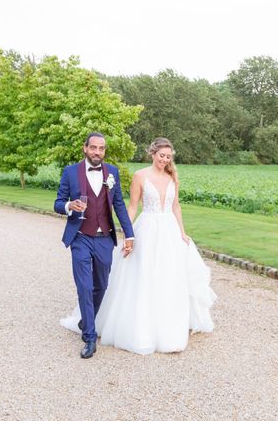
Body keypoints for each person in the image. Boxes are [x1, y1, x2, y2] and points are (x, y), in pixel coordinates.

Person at [61, 137, 216, 355]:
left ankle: (166, 325)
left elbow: (175, 205)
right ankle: (94, 330)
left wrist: (182, 232)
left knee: (168, 276)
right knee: (138, 275)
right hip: (144, 228)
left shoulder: (172, 177)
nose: (165, 160)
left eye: (169, 157)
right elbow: (130, 207)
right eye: (162, 155)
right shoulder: (140, 176)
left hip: (169, 230)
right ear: (153, 154)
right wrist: (129, 233)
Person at [54, 132, 135, 359]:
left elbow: (118, 205)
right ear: (85, 148)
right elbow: (58, 203)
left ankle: (85, 320)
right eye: (93, 148)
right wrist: (70, 205)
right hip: (80, 236)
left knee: (101, 284)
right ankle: (90, 336)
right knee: (85, 286)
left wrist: (130, 235)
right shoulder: (71, 172)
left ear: (104, 151)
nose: (97, 152)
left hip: (104, 238)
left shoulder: (113, 173)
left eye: (101, 148)